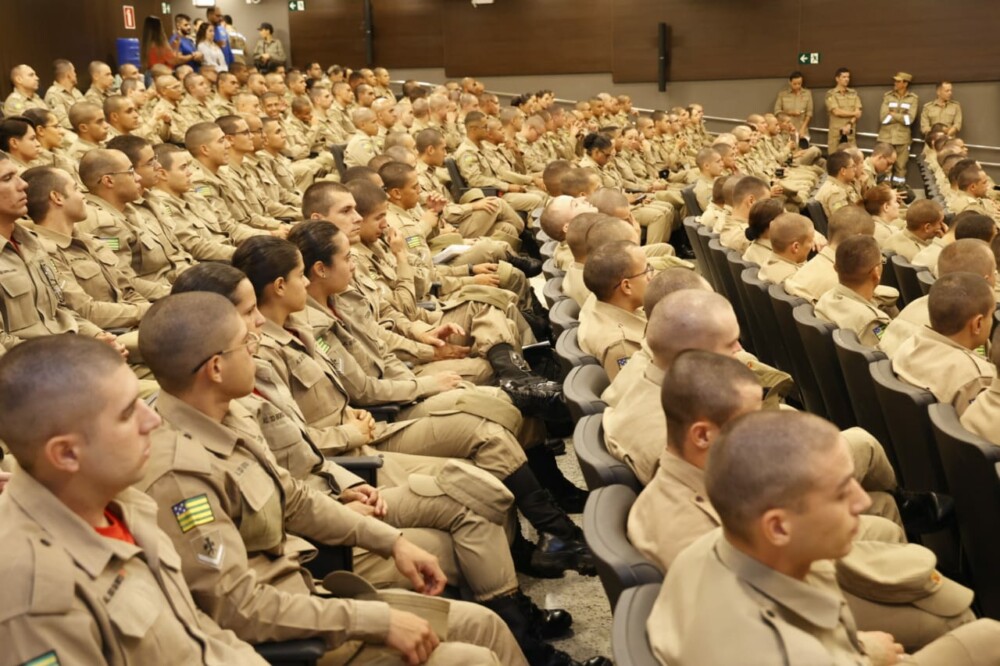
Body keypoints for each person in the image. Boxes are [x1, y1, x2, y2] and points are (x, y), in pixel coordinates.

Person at [135, 292, 525, 665]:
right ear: (216, 368)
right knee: (474, 657)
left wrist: (392, 542)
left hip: (308, 591)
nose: (256, 343)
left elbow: (295, 498)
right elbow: (240, 608)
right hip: (289, 632)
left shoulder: (230, 415)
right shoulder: (179, 478)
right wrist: (373, 621)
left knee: (485, 626)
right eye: (245, 343)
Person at [647, 408, 1000, 665]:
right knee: (988, 638)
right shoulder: (785, 652)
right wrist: (864, 656)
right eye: (841, 491)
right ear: (778, 527)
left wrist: (858, 647)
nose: (862, 501)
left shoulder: (705, 549)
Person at [0, 336, 272, 665]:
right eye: (128, 413)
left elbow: (194, 632)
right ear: (67, 454)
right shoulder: (33, 599)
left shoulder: (121, 502)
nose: (153, 420)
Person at [577, 240, 650, 380]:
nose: (651, 277)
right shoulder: (621, 345)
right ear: (626, 286)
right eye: (646, 271)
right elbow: (634, 389)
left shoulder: (601, 302)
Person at [815, 235, 892, 346]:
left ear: (835, 268)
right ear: (876, 272)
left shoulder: (825, 299)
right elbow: (888, 352)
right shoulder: (872, 323)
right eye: (882, 262)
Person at [878, 72, 920, 180]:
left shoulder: (913, 99)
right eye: (895, 81)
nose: (895, 83)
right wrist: (901, 117)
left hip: (903, 139)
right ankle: (884, 188)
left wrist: (893, 114)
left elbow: (909, 120)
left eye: (898, 81)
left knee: (901, 168)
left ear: (905, 84)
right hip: (886, 137)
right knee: (884, 167)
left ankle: (899, 188)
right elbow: (883, 118)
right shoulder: (888, 96)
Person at [814, 150, 861, 220]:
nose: (855, 169)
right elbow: (844, 220)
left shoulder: (840, 185)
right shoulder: (836, 193)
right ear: (843, 171)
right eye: (853, 166)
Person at [825, 67, 862, 149]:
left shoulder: (853, 93)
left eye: (848, 77)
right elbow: (836, 112)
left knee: (852, 155)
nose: (847, 79)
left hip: (850, 133)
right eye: (844, 77)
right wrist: (853, 113)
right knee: (834, 155)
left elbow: (858, 112)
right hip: (836, 134)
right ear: (837, 79)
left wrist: (849, 124)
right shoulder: (831, 94)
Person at [44, 60, 84, 131]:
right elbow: (63, 122)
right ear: (69, 75)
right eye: (74, 71)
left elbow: (88, 110)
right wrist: (85, 126)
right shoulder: (53, 94)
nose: (75, 74)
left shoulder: (76, 91)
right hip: (69, 132)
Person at [773, 71, 812, 138]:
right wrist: (790, 113)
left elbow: (809, 113)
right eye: (794, 84)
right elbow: (777, 111)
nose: (797, 86)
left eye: (799, 84)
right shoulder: (782, 94)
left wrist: (803, 128)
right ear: (790, 82)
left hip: (802, 129)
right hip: (786, 131)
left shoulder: (807, 94)